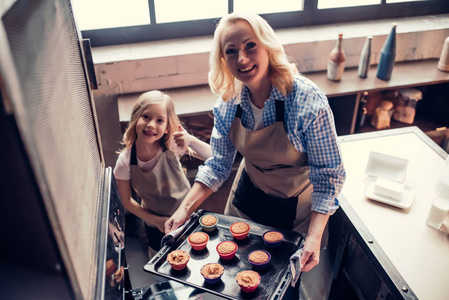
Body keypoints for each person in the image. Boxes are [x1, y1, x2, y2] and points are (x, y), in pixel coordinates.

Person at [165, 12, 345, 296]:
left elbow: (328, 176)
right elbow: (218, 166)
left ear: (267, 46)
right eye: (231, 51)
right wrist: (183, 210)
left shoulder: (307, 101)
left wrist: (314, 236)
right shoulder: (229, 103)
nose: (242, 59)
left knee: (280, 287)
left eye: (250, 46)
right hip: (246, 199)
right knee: (234, 277)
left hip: (293, 208)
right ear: (223, 60)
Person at [114, 90, 211, 257]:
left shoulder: (171, 146)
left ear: (167, 128)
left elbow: (213, 156)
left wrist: (191, 140)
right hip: (155, 224)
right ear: (136, 118)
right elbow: (126, 201)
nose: (151, 125)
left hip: (187, 215)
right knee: (162, 259)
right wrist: (156, 221)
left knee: (192, 255)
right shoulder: (125, 162)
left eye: (159, 120)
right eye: (146, 117)